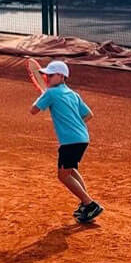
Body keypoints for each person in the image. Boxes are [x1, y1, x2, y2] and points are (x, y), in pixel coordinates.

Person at [28, 60, 103, 223]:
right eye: (46, 75)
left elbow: (33, 110)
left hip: (70, 141)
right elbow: (88, 115)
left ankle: (90, 204)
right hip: (82, 138)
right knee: (71, 170)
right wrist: (74, 124)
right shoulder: (73, 94)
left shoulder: (51, 93)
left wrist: (43, 94)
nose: (47, 78)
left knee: (63, 175)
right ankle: (85, 204)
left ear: (62, 76)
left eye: (51, 75)